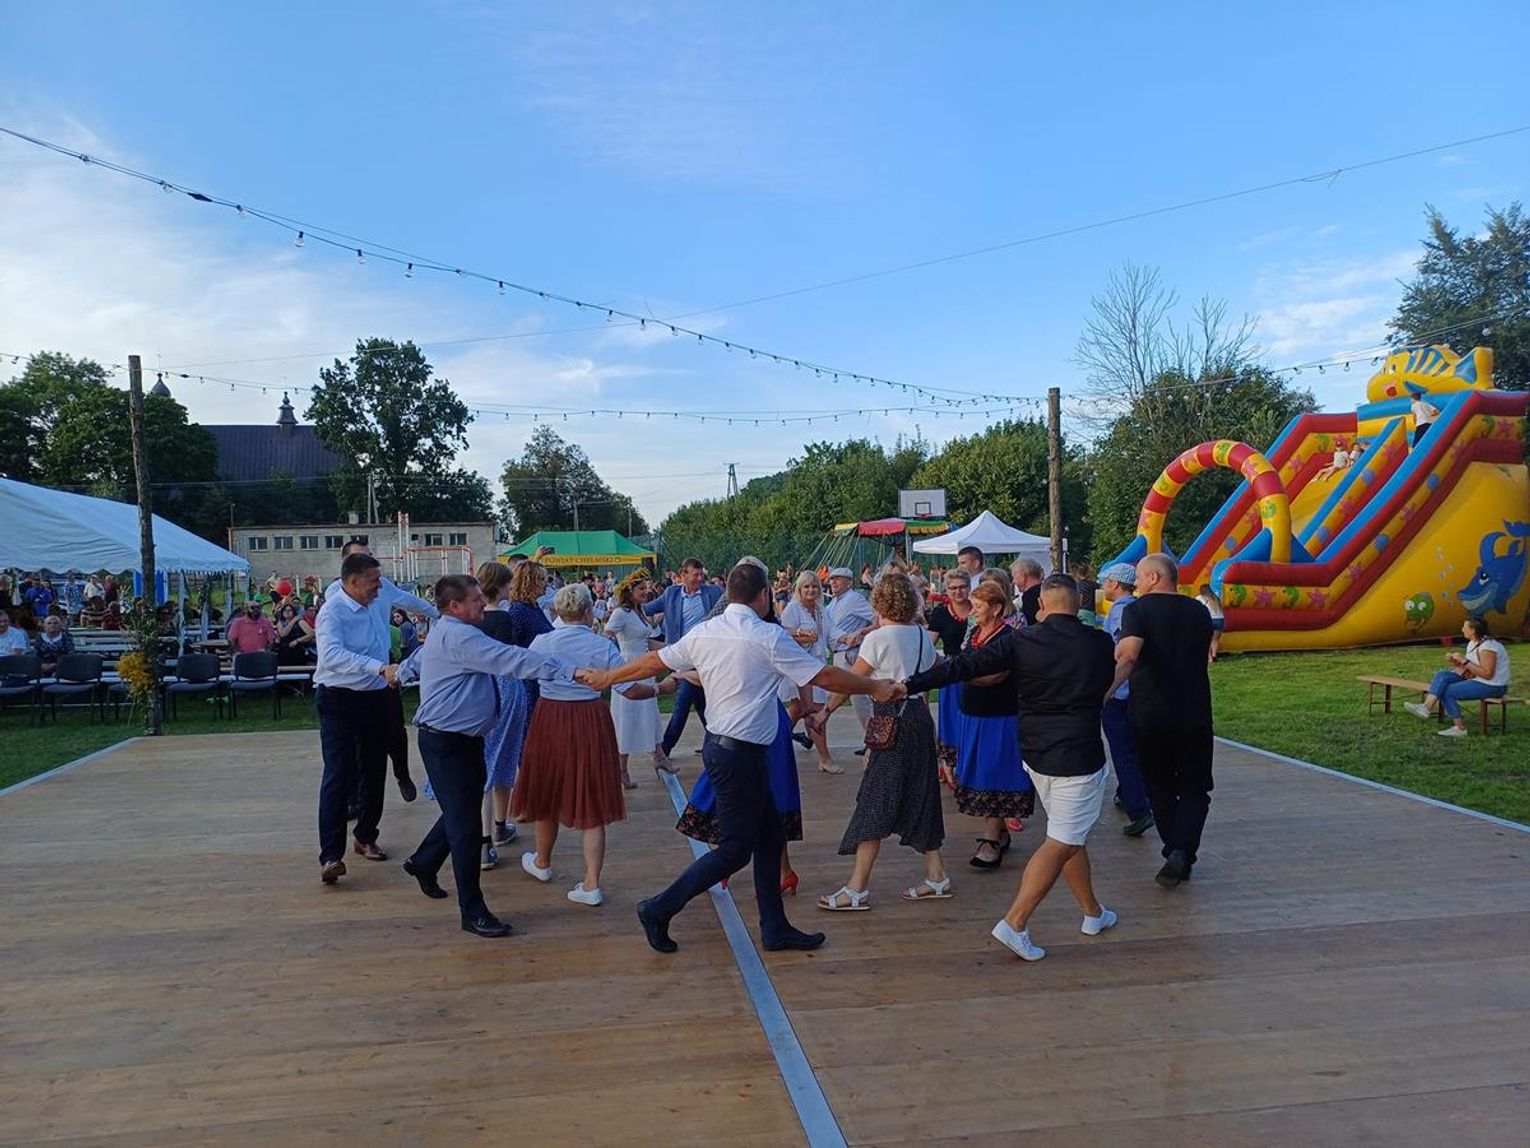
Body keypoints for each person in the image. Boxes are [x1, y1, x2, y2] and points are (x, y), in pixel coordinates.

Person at [578, 560, 890, 954]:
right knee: (734, 851)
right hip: (737, 756)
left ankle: (775, 928)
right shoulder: (767, 635)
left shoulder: (705, 631)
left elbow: (655, 661)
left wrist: (608, 678)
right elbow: (823, 676)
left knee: (769, 836)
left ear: (729, 594)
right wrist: (875, 687)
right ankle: (658, 909)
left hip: (732, 752)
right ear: (763, 596)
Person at [899, 574, 1119, 962]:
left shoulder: (1021, 641)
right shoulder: (1100, 643)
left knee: (1070, 834)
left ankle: (1092, 912)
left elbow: (962, 666)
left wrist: (909, 684)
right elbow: (1102, 686)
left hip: (1035, 753)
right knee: (1063, 839)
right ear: (1078, 604)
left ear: (1042, 606)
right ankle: (1015, 923)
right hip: (1077, 757)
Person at [395, 574, 569, 937]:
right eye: (475, 599)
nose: (483, 604)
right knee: (467, 829)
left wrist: (401, 671)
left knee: (463, 811)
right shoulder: (461, 636)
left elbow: (422, 657)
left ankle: (424, 862)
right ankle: (472, 911)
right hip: (447, 744)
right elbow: (509, 659)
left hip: (462, 741)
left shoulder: (451, 630)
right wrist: (569, 671)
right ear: (454, 606)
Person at [512, 583, 666, 907]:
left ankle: (542, 862)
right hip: (590, 718)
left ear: (557, 611)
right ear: (586, 612)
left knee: (546, 793)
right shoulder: (601, 646)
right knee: (592, 799)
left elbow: (524, 673)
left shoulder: (542, 641)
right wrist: (659, 689)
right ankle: (592, 883)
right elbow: (628, 690)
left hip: (549, 718)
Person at [811, 572, 948, 910]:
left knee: (875, 799)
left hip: (891, 721)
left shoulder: (877, 639)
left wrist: (825, 711)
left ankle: (857, 888)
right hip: (919, 719)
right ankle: (936, 876)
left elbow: (850, 682)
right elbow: (931, 677)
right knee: (922, 795)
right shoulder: (921, 635)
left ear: (879, 603)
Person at [1108, 553, 1216, 888]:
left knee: (1159, 784)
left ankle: (1175, 849)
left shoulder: (1137, 611)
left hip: (1151, 713)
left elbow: (1129, 655)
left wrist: (1105, 691)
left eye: (1140, 577)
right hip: (1195, 711)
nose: (1137, 583)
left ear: (1154, 577)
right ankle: (1182, 849)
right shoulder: (1199, 610)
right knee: (1195, 787)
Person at [313, 553, 402, 884]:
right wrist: (377, 667)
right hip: (339, 699)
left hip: (376, 697)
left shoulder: (373, 605)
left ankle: (365, 835)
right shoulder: (332, 612)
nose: (379, 587)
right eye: (374, 581)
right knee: (340, 773)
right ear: (352, 582)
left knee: (375, 770)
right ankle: (331, 856)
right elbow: (331, 655)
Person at [329, 541, 437, 805]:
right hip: (354, 674)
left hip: (385, 666)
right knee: (356, 742)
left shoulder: (383, 586)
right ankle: (355, 798)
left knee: (394, 728)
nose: (368, 563)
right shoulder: (335, 597)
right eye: (360, 558)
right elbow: (332, 649)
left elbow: (411, 602)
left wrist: (441, 614)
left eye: (369, 557)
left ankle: (402, 773)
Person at [953, 581, 1034, 866]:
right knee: (980, 770)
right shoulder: (975, 632)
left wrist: (956, 673)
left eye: (978, 606)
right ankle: (999, 832)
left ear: (997, 608)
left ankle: (990, 839)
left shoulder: (1008, 637)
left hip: (1000, 716)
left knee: (994, 772)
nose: (973, 611)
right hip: (973, 713)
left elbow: (995, 676)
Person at [642, 557, 723, 756]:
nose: (699, 578)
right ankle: (717, 742)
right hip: (681, 656)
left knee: (684, 702)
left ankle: (664, 750)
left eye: (701, 574)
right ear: (683, 575)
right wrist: (626, 605)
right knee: (700, 702)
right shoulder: (671, 594)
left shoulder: (714, 593)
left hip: (705, 656)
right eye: (695, 575)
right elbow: (647, 609)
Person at [1099, 563, 1154, 837]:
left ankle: (1139, 808)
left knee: (1123, 751)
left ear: (1116, 583)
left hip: (1121, 691)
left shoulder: (1122, 611)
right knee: (1136, 747)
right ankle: (1127, 792)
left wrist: (1109, 688)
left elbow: (1125, 652)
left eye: (1106, 581)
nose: (1103, 586)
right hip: (1139, 691)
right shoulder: (1139, 608)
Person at [604, 573, 669, 785]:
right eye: (641, 588)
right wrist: (614, 662)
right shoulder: (620, 613)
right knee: (627, 716)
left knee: (648, 711)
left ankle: (659, 757)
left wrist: (673, 649)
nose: (646, 591)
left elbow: (647, 643)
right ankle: (621, 769)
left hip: (645, 666)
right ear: (629, 591)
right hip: (629, 667)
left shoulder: (639, 612)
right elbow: (607, 636)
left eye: (646, 587)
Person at [1404, 616, 1512, 737]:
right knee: (1442, 674)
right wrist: (1456, 662)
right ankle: (1426, 707)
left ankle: (1460, 728)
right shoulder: (1472, 643)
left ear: (1473, 630)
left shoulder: (1488, 647)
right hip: (1477, 679)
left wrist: (1464, 660)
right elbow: (1469, 669)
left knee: (1447, 691)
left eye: (1464, 627)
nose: (1462, 629)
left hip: (1493, 685)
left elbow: (1487, 674)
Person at [779, 570, 839, 774]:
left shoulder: (822, 610)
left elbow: (832, 633)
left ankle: (773, 748)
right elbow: (781, 632)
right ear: (799, 589)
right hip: (799, 667)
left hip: (817, 664)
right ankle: (825, 758)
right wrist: (801, 634)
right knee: (816, 710)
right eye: (806, 586)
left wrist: (848, 638)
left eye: (814, 586)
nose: (811, 590)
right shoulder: (793, 609)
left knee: (796, 710)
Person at [925, 570, 973, 788]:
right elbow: (928, 647)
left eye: (962, 586)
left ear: (969, 587)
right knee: (951, 719)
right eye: (953, 588)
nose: (958, 592)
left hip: (977, 670)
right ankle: (947, 764)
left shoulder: (978, 608)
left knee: (972, 719)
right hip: (952, 673)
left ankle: (969, 764)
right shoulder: (941, 614)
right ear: (946, 590)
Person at [823, 566, 877, 748]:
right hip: (839, 653)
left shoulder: (854, 599)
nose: (833, 582)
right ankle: (813, 731)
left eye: (838, 579)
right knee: (834, 694)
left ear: (849, 583)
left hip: (849, 653)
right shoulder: (833, 603)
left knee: (857, 697)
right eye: (831, 579)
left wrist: (861, 631)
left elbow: (876, 619)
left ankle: (873, 739)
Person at [274, 602, 315, 667]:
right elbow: (283, 634)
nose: (287, 612)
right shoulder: (280, 623)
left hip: (298, 651)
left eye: (289, 610)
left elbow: (311, 634)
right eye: (285, 610)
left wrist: (298, 640)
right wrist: (293, 621)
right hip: (284, 651)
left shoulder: (300, 622)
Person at [1010, 558, 1044, 626]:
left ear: (1022, 576)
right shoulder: (1047, 592)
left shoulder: (1029, 597)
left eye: (1014, 577)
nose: (1013, 582)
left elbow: (1030, 625)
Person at [1196, 585, 1225, 661]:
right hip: (1219, 619)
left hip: (1209, 619)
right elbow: (1221, 610)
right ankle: (1214, 655)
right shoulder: (1216, 598)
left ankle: (1209, 658)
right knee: (1215, 640)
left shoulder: (1199, 598)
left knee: (1207, 640)